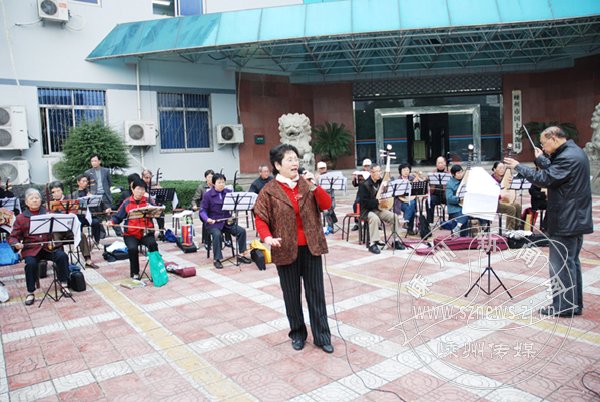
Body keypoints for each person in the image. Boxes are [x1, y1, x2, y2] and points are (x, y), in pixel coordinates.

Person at [253, 143, 334, 354]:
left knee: (316, 293)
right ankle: (297, 334)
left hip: (311, 247)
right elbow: (260, 217)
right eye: (289, 159)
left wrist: (314, 186)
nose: (294, 163)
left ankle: (322, 336)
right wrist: (267, 237)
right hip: (285, 248)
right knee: (291, 294)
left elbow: (326, 205)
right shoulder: (269, 191)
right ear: (277, 165)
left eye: (296, 159)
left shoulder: (307, 184)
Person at [504, 126, 593, 317]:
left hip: (566, 220)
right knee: (571, 263)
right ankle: (573, 305)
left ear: (553, 138)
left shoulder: (568, 157)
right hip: (574, 218)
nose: (543, 147)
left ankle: (563, 306)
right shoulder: (575, 152)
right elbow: (556, 172)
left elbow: (546, 178)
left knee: (560, 265)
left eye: (544, 144)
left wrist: (518, 167)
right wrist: (541, 159)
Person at [8, 188, 71, 305]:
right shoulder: (21, 218)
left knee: (62, 256)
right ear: (26, 202)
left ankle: (64, 284)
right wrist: (16, 244)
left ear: (41, 200)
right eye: (31, 198)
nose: (34, 200)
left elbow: (59, 229)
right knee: (30, 264)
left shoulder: (48, 214)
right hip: (31, 250)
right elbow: (13, 236)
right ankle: (30, 292)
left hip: (48, 248)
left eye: (37, 198)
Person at [108, 178, 159, 280]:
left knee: (153, 245)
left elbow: (157, 211)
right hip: (131, 234)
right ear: (132, 189)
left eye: (143, 189)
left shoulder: (149, 201)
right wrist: (112, 222)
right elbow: (118, 217)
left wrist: (157, 209)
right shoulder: (127, 202)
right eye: (138, 189)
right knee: (132, 249)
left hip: (146, 232)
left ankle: (157, 271)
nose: (140, 192)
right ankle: (135, 273)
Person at [200, 173, 251, 269]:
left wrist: (234, 213)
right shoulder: (208, 195)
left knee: (241, 231)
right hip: (214, 223)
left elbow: (235, 205)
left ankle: (241, 255)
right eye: (219, 182)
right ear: (214, 183)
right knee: (217, 234)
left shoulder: (228, 193)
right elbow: (202, 210)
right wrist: (207, 219)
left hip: (227, 222)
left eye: (223, 182)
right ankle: (217, 259)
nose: (222, 184)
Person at [49, 181, 98, 269]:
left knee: (82, 235)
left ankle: (88, 260)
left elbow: (82, 212)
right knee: (55, 237)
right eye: (53, 192)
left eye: (58, 191)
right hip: (58, 231)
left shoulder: (71, 199)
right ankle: (61, 262)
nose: (56, 193)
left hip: (70, 229)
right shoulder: (50, 203)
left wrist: (76, 211)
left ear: (62, 191)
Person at [358, 163, 404, 254]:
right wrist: (377, 201)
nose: (379, 173)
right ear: (371, 172)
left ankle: (395, 241)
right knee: (374, 219)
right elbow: (363, 202)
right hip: (366, 211)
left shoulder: (381, 182)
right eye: (377, 171)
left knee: (394, 217)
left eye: (380, 171)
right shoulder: (364, 185)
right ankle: (373, 244)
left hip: (378, 209)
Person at [85, 154, 120, 237]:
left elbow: (109, 182)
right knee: (97, 215)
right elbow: (87, 185)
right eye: (92, 161)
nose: (93, 162)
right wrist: (89, 193)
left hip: (105, 195)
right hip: (94, 196)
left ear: (99, 161)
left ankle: (119, 232)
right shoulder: (88, 172)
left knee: (110, 214)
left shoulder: (106, 171)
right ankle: (101, 233)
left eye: (95, 161)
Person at [71, 174, 103, 246]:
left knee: (96, 222)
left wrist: (91, 197)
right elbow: (73, 208)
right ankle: (79, 244)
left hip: (89, 216)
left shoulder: (89, 192)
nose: (85, 183)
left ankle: (97, 241)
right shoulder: (74, 194)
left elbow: (95, 205)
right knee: (78, 224)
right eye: (83, 181)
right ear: (78, 182)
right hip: (80, 216)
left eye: (86, 181)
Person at [491, 161, 522, 231]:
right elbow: (490, 194)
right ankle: (509, 230)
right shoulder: (491, 180)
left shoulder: (505, 178)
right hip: (495, 204)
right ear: (494, 169)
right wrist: (501, 196)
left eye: (503, 168)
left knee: (518, 206)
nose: (502, 170)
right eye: (500, 168)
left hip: (504, 202)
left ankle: (517, 228)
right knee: (511, 208)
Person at [445, 165, 473, 237]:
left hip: (464, 205)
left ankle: (459, 227)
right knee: (464, 213)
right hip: (454, 207)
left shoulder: (465, 181)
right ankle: (460, 233)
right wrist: (459, 199)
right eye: (458, 173)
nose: (460, 174)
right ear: (453, 174)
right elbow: (449, 198)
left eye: (461, 172)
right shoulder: (450, 184)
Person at [393, 163, 420, 236]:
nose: (406, 172)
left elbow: (418, 190)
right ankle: (409, 228)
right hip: (400, 202)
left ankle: (406, 222)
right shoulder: (397, 180)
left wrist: (417, 180)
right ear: (400, 171)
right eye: (404, 170)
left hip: (410, 200)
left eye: (407, 170)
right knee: (412, 208)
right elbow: (395, 194)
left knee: (412, 204)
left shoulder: (412, 178)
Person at [191, 169, 214, 248]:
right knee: (206, 220)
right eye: (209, 177)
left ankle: (223, 239)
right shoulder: (201, 187)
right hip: (204, 211)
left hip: (214, 210)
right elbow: (194, 199)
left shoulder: (216, 186)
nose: (211, 179)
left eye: (212, 177)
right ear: (205, 178)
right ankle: (207, 241)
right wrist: (194, 205)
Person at [141, 169, 165, 240]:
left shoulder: (154, 183)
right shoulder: (140, 184)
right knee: (148, 216)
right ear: (142, 177)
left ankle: (161, 232)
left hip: (154, 205)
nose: (148, 180)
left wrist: (159, 189)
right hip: (145, 206)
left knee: (161, 215)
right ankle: (151, 232)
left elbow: (161, 194)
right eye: (146, 178)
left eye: (150, 178)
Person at [315, 161, 337, 233]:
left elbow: (332, 188)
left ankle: (330, 226)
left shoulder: (330, 177)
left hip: (330, 199)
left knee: (328, 209)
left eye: (323, 168)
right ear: (318, 169)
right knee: (326, 211)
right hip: (320, 200)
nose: (322, 170)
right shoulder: (316, 177)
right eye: (320, 168)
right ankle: (331, 223)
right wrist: (317, 181)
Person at [350, 158, 372, 231]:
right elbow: (355, 184)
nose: (367, 167)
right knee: (356, 204)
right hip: (361, 193)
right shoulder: (360, 173)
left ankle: (374, 223)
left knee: (373, 204)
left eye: (368, 166)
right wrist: (354, 179)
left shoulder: (373, 173)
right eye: (365, 166)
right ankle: (357, 223)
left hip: (371, 193)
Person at [427, 156, 448, 223]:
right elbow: (427, 182)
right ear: (436, 164)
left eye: (442, 163)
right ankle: (430, 222)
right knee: (429, 201)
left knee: (453, 200)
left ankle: (451, 221)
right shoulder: (432, 173)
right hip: (435, 195)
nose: (440, 164)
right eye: (438, 163)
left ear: (445, 163)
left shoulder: (449, 173)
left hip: (446, 195)